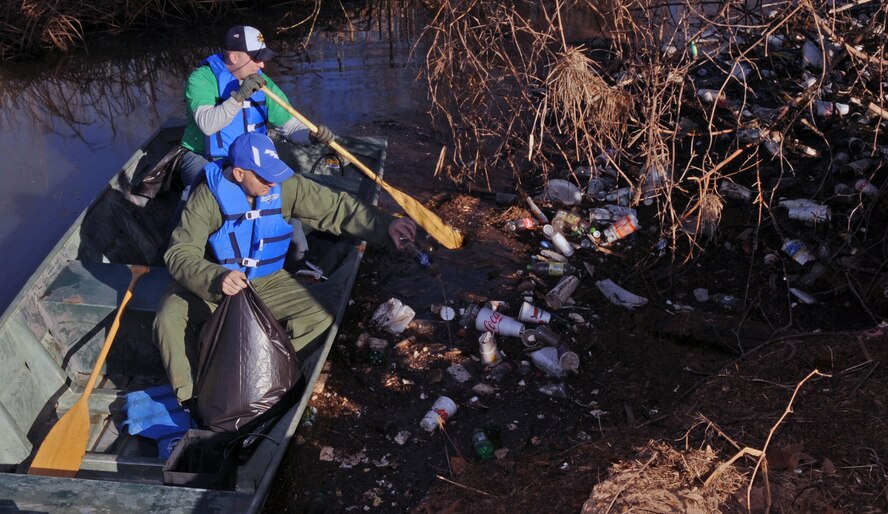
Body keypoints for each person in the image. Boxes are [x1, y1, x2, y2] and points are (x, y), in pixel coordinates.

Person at [154, 132, 416, 404]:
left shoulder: (281, 184)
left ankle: (260, 374)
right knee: (168, 316)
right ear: (240, 173)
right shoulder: (206, 197)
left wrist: (385, 225)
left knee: (320, 317)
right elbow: (180, 253)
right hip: (213, 281)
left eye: (274, 174)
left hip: (265, 280)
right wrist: (216, 277)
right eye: (264, 177)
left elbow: (336, 209)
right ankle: (191, 399)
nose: (272, 182)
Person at [177, 24, 335, 197]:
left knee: (285, 197)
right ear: (234, 57)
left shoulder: (262, 82)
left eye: (263, 57)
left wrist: (311, 135)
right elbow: (208, 125)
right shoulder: (202, 78)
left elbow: (290, 126)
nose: (261, 64)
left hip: (251, 159)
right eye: (256, 58)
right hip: (204, 157)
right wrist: (239, 97)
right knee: (214, 196)